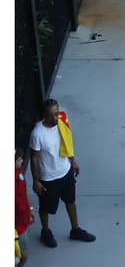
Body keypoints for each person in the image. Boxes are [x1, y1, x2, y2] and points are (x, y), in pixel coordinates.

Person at [27, 99, 95, 248]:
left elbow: (67, 143)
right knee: (45, 207)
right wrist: (36, 181)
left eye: (56, 113)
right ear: (44, 115)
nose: (55, 118)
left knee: (71, 201)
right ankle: (45, 231)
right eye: (51, 115)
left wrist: (73, 162)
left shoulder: (62, 122)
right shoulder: (37, 134)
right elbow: (34, 159)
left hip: (65, 172)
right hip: (48, 178)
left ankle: (75, 229)